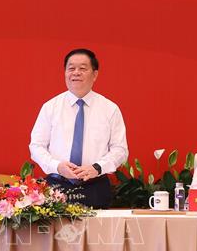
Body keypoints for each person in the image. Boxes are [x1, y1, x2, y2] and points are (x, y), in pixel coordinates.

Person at [29, 49, 128, 208]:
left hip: (95, 185)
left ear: (95, 75)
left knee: (99, 225)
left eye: (82, 68)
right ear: (65, 73)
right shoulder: (50, 107)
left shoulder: (110, 109)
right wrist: (57, 166)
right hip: (57, 185)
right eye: (71, 68)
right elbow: (36, 146)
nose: (76, 73)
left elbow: (120, 150)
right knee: (55, 225)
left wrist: (97, 168)